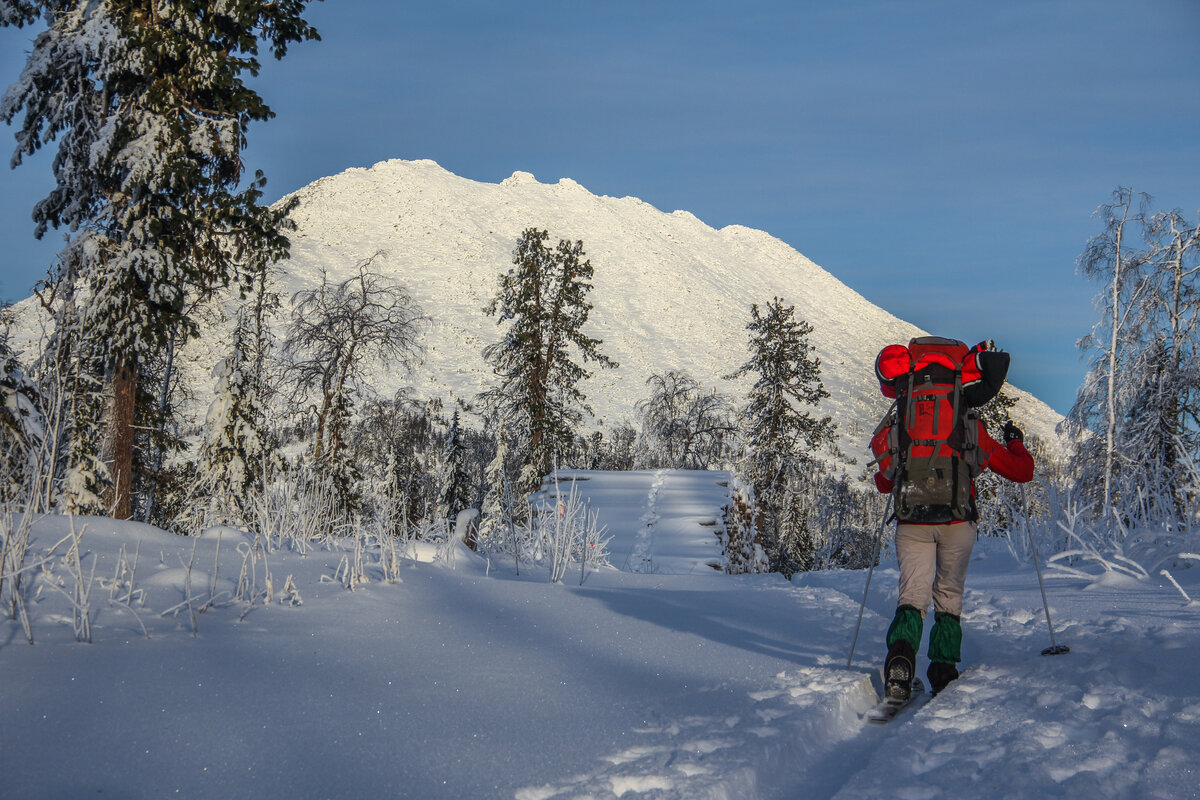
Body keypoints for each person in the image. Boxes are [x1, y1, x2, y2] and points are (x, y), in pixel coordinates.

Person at [873, 417, 1035, 698]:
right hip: (957, 521)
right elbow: (1022, 471)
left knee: (912, 595)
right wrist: (1014, 442)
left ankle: (901, 658)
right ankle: (943, 671)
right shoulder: (969, 423)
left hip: (912, 521)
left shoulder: (907, 420)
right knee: (948, 594)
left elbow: (884, 482)